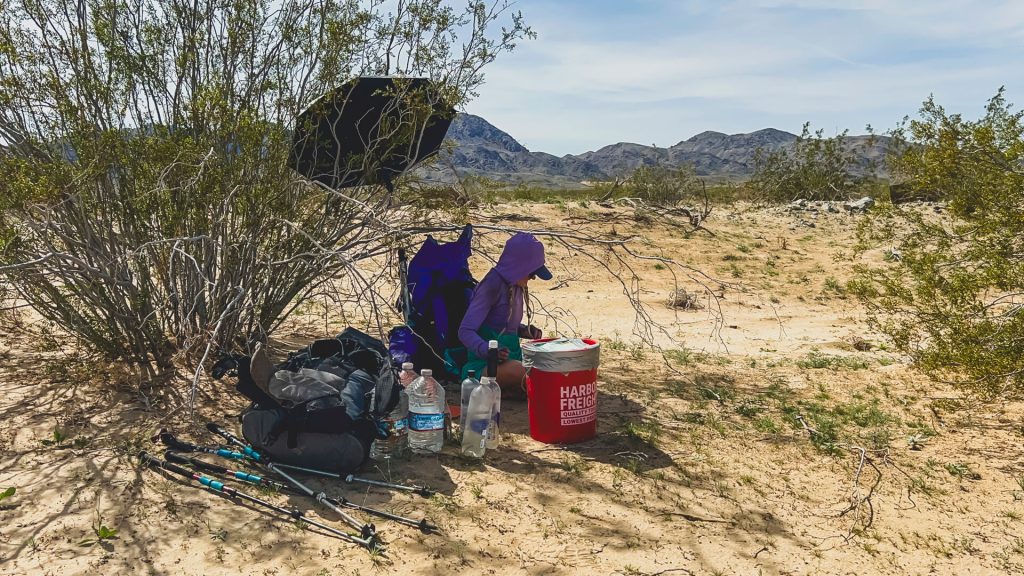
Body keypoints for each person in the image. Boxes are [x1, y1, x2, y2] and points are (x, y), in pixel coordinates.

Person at [458, 232, 550, 398]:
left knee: (550, 365)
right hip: (483, 365)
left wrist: (523, 330)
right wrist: (488, 350)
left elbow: (502, 324)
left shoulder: (516, 285)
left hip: (513, 359)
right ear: (519, 266)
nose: (534, 277)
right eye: (531, 273)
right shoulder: (491, 286)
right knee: (531, 375)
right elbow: (465, 331)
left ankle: (509, 391)